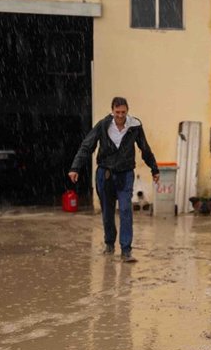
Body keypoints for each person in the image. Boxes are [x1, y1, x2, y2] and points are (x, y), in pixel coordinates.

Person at [68, 97, 159, 262]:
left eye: (123, 112)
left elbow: (144, 148)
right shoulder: (103, 125)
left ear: (127, 111)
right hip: (105, 174)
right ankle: (109, 243)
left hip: (125, 174)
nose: (120, 116)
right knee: (108, 212)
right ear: (112, 111)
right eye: (117, 112)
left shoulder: (135, 127)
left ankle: (126, 250)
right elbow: (87, 146)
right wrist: (75, 167)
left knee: (125, 210)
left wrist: (154, 168)